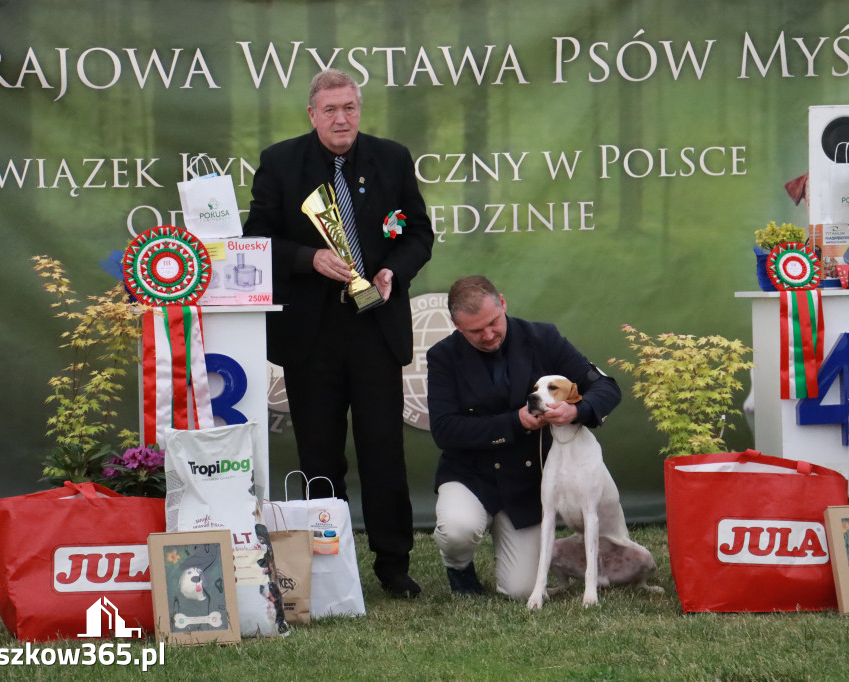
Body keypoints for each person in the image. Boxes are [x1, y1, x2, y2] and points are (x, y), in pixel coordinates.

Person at [243, 68, 432, 598]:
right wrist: (309, 258)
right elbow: (256, 240)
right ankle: (327, 565)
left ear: (359, 110)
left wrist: (396, 270)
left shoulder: (392, 158)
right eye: (330, 110)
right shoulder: (281, 162)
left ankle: (393, 565)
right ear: (312, 114)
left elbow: (418, 233)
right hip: (311, 336)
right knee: (320, 456)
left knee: (383, 451)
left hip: (376, 328)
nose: (341, 118)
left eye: (349, 107)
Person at [426, 275, 621, 598]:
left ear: (503, 303)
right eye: (475, 331)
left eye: (493, 323)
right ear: (456, 325)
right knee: (457, 530)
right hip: (471, 475)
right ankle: (459, 567)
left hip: (528, 480)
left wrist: (577, 411)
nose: (488, 335)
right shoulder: (442, 356)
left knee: (521, 590)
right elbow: (445, 429)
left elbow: (606, 387)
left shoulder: (543, 337)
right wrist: (514, 423)